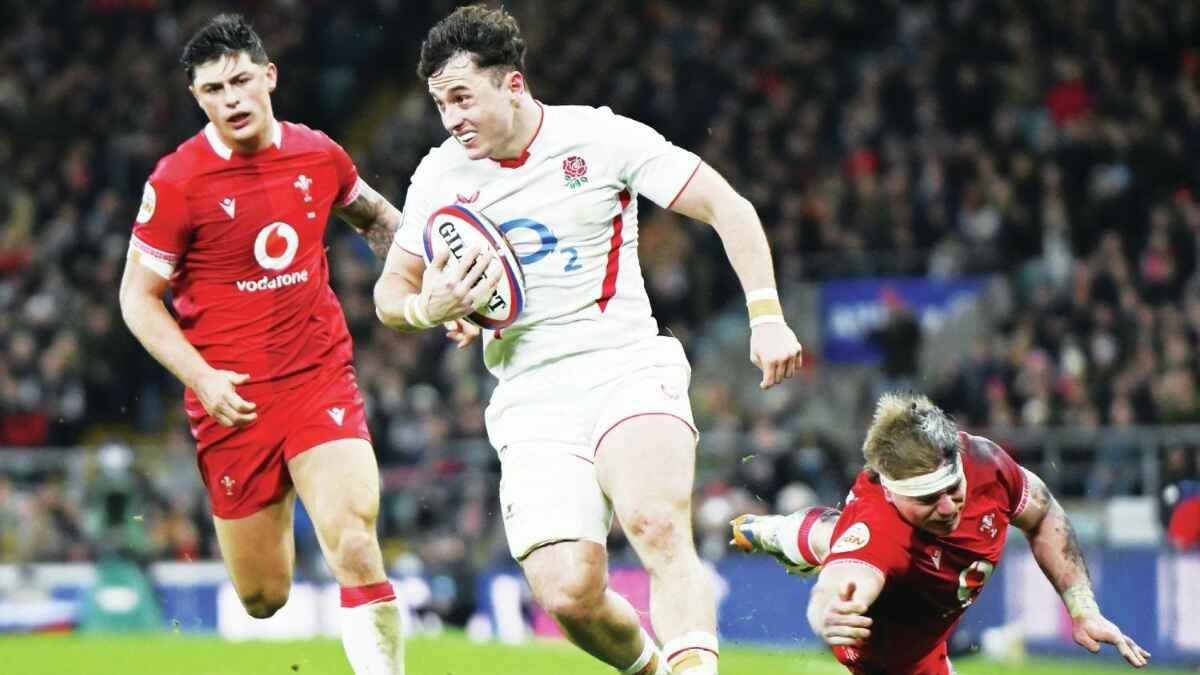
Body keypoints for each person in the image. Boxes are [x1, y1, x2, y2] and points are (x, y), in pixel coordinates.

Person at [373, 6, 803, 675]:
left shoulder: (600, 140)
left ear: (513, 84)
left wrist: (766, 312)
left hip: (623, 363)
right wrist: (429, 306)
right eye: (439, 104)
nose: (451, 118)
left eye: (462, 97)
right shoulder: (440, 175)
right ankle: (655, 668)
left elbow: (727, 204)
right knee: (568, 593)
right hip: (530, 395)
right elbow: (389, 294)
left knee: (656, 520)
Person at [118, 14, 411, 675]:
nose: (233, 99)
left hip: (317, 378)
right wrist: (202, 378)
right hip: (231, 401)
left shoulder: (318, 153)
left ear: (269, 76)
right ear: (197, 98)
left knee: (355, 541)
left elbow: (378, 217)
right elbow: (137, 298)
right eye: (215, 89)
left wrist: (424, 285)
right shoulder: (177, 182)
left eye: (243, 80)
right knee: (262, 596)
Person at [731, 392, 1151, 674]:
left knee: (837, 536)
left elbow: (1044, 515)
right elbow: (840, 585)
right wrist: (830, 616)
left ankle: (783, 530)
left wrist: (1083, 608)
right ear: (894, 494)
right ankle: (778, 533)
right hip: (886, 663)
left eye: (953, 489)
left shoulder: (985, 463)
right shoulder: (877, 529)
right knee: (841, 539)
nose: (949, 507)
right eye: (929, 499)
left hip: (930, 641)